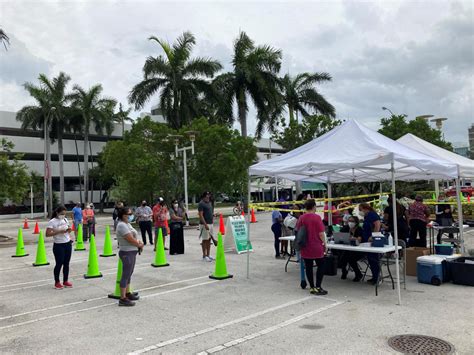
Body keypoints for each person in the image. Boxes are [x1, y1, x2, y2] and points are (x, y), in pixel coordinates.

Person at [296, 199, 328, 295]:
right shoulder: (317, 217)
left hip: (305, 245)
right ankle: (318, 286)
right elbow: (321, 233)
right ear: (314, 206)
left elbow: (298, 230)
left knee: (308, 267)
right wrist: (325, 244)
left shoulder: (301, 218)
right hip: (316, 245)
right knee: (321, 265)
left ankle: (312, 287)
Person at [116, 207, 143, 306]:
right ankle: (122, 298)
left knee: (129, 274)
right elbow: (130, 239)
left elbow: (134, 236)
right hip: (126, 252)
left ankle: (127, 293)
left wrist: (139, 242)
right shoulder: (122, 225)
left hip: (132, 251)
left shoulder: (127, 224)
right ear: (123, 215)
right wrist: (139, 244)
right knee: (126, 274)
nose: (131, 215)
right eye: (129, 213)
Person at [46, 206, 74, 290]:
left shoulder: (65, 220)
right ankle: (57, 282)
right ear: (57, 213)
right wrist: (58, 231)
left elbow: (68, 229)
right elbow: (47, 234)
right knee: (59, 263)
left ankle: (65, 281)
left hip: (67, 243)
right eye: (62, 214)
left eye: (65, 214)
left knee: (66, 263)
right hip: (58, 245)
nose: (63, 215)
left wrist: (69, 230)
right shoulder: (52, 222)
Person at [359, 203, 382, 285]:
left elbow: (377, 225)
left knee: (374, 259)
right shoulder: (367, 216)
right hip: (366, 239)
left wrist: (373, 235)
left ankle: (377, 277)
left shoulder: (373, 215)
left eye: (360, 209)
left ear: (365, 208)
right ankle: (374, 277)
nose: (360, 211)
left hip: (372, 239)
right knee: (370, 259)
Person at [339, 216, 364, 282]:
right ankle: (344, 271)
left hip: (359, 250)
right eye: (349, 221)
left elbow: (359, 239)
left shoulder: (359, 229)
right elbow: (340, 235)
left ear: (356, 222)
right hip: (348, 248)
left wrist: (352, 238)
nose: (350, 222)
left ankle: (358, 274)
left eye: (352, 221)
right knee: (342, 256)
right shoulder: (346, 228)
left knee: (351, 259)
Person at [198, 191, 214, 262]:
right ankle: (204, 256)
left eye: (209, 195)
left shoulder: (209, 203)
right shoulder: (201, 204)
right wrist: (205, 224)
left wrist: (214, 215)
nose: (208, 197)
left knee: (209, 239)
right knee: (204, 240)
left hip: (210, 223)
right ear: (204, 196)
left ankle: (208, 255)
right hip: (204, 224)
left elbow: (209, 213)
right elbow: (201, 215)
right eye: (206, 196)